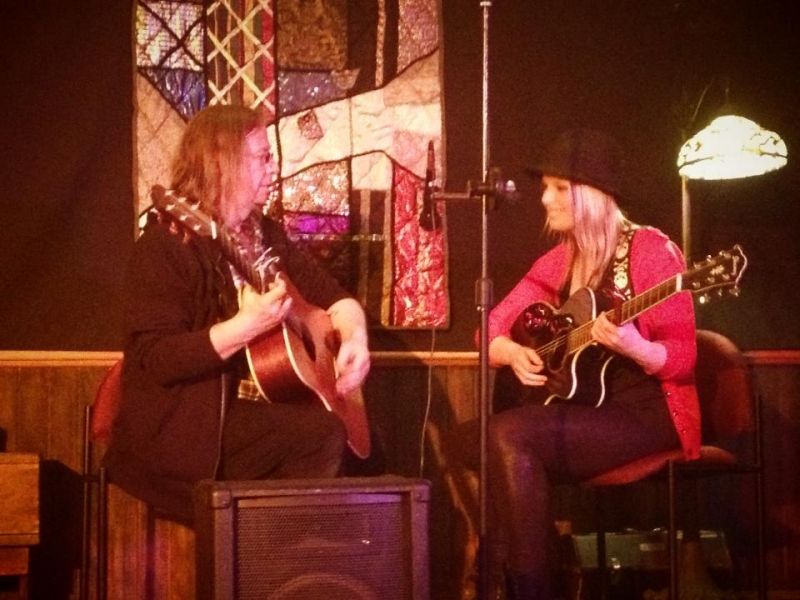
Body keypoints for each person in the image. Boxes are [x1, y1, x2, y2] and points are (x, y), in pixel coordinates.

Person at [103, 104, 371, 522]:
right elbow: (156, 358)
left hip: (250, 415)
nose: (273, 168)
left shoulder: (266, 236)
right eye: (263, 157)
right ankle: (277, 558)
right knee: (320, 435)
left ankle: (292, 554)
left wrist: (354, 337)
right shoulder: (165, 246)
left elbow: (336, 299)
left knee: (366, 447)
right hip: (186, 430)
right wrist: (246, 328)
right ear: (221, 163)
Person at [477, 129, 699, 599]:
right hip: (587, 412)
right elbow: (488, 330)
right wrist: (512, 352)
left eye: (560, 188)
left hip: (648, 414)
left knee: (505, 435)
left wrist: (636, 347)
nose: (545, 199)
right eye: (546, 187)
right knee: (484, 439)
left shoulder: (652, 251)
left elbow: (683, 359)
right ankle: (524, 581)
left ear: (594, 195)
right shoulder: (559, 261)